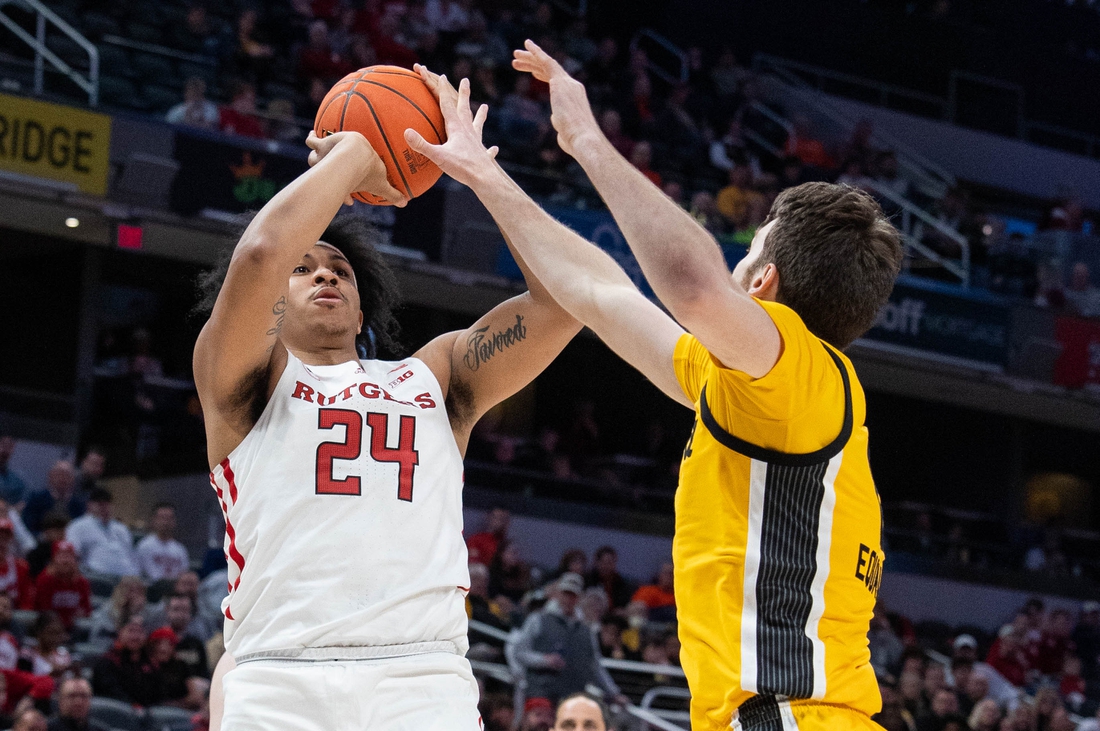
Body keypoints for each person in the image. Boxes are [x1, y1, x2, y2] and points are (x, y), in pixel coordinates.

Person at [404, 44, 902, 731]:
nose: (732, 267)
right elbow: (599, 293)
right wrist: (485, 175)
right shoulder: (761, 396)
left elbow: (693, 289)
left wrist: (587, 142)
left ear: (763, 285)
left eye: (746, 254)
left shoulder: (802, 376)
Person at [193, 87, 581, 727]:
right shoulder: (242, 378)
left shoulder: (433, 375)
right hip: (280, 674)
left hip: (422, 675)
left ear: (360, 309)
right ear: (271, 304)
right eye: (304, 268)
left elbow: (568, 300)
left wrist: (484, 178)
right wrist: (351, 155)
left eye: (340, 270)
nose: (326, 275)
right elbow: (261, 254)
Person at [510, 573, 626, 706]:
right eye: (565, 594)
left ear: (579, 599)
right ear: (558, 594)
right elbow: (519, 652)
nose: (568, 599)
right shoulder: (537, 619)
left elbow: (594, 666)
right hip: (540, 696)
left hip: (570, 700)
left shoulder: (586, 630)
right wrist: (543, 660)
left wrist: (614, 693)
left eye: (573, 595)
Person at [64, 489, 138, 578]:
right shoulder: (77, 526)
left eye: (107, 503)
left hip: (126, 575)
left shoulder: (121, 528)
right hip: (96, 576)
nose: (104, 507)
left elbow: (130, 556)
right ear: (89, 505)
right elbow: (74, 554)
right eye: (99, 503)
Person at [33, 542, 91, 631]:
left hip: (74, 629)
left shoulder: (82, 582)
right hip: (47, 629)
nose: (65, 561)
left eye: (69, 556)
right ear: (53, 560)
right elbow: (45, 612)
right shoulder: (45, 580)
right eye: (61, 556)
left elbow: (86, 612)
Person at [22, 463, 85, 535]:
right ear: (50, 477)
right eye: (59, 475)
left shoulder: (79, 504)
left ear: (73, 479)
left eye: (67, 475)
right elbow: (27, 526)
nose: (62, 479)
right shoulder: (36, 499)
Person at [135, 504, 189, 585]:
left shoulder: (180, 549)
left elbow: (183, 573)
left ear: (174, 521)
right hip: (151, 588)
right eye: (162, 518)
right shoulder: (144, 546)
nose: (165, 522)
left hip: (174, 589)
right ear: (154, 520)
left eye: (169, 518)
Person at [584, 547, 632, 612]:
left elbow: (624, 603)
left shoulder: (621, 582)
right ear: (597, 562)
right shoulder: (587, 580)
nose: (606, 566)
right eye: (604, 562)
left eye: (610, 562)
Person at [0, 521, 34, 610]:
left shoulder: (21, 567)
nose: (1, 542)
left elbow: (27, 600)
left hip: (15, 615)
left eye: (5, 538)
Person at [25, 514, 68, 579]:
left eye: (63, 530)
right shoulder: (36, 554)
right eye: (57, 530)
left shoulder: (69, 552)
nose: (61, 533)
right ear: (46, 532)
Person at [0, 437, 27, 507]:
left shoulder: (17, 480)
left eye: (9, 447)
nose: (5, 450)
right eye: (3, 445)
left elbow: (21, 502)